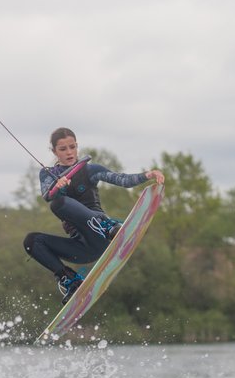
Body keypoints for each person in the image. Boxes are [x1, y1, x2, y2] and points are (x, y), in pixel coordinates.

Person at [23, 127, 165, 304]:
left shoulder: (89, 170)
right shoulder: (48, 174)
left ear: (77, 146)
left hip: (102, 235)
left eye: (72, 147)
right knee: (32, 241)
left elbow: (122, 180)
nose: (69, 152)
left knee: (59, 203)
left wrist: (148, 175)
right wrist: (57, 187)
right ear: (54, 151)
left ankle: (105, 226)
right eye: (63, 149)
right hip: (82, 249)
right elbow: (47, 195)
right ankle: (69, 280)